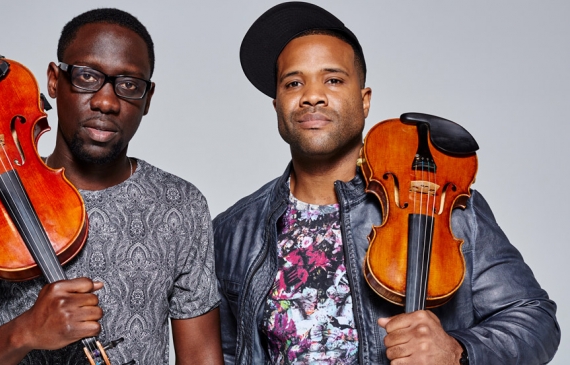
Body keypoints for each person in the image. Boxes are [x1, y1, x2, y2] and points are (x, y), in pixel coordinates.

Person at [213, 2, 560, 365]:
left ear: (364, 102)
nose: (311, 96)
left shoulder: (440, 205)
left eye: (333, 79)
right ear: (278, 106)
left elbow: (535, 318)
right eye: (293, 83)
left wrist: (460, 351)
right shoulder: (233, 231)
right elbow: (227, 353)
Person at [0, 8, 222, 365]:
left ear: (148, 98)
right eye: (87, 77)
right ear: (53, 80)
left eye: (128, 85)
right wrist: (25, 331)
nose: (106, 102)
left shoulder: (181, 205)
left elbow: (201, 357)